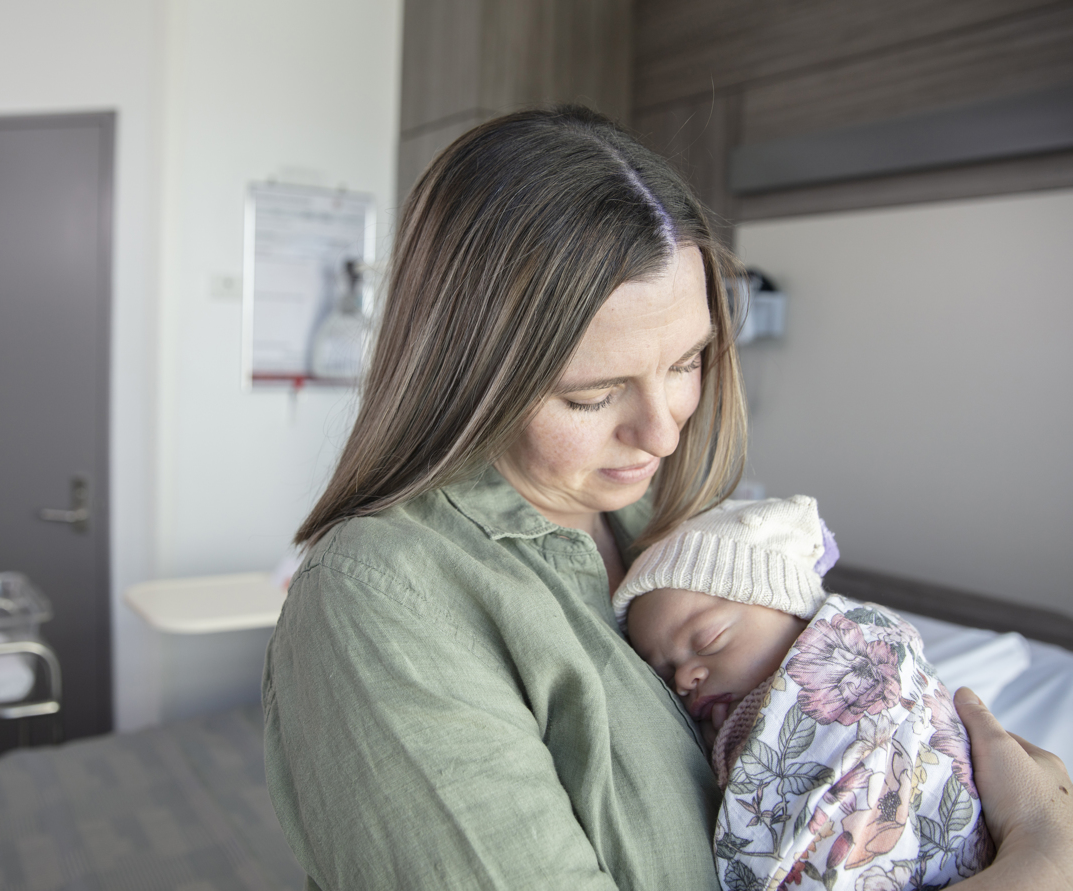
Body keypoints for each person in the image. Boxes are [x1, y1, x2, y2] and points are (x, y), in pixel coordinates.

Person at [261, 106, 1073, 890]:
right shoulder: (382, 599)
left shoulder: (666, 522)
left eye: (687, 362)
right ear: (469, 379)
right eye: (593, 395)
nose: (661, 432)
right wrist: (1039, 863)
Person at [614, 496, 991, 890]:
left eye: (708, 641)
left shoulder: (865, 656)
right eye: (665, 672)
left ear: (792, 613)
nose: (684, 678)